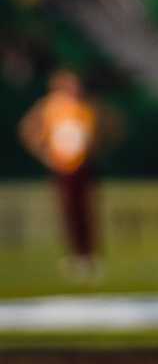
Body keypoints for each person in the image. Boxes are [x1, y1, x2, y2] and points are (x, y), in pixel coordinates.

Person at [18, 68, 114, 280]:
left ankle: (90, 255)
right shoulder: (49, 107)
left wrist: (94, 149)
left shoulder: (85, 106)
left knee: (87, 211)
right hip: (62, 167)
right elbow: (28, 130)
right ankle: (76, 255)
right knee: (68, 212)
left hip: (83, 166)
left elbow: (101, 130)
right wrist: (45, 154)